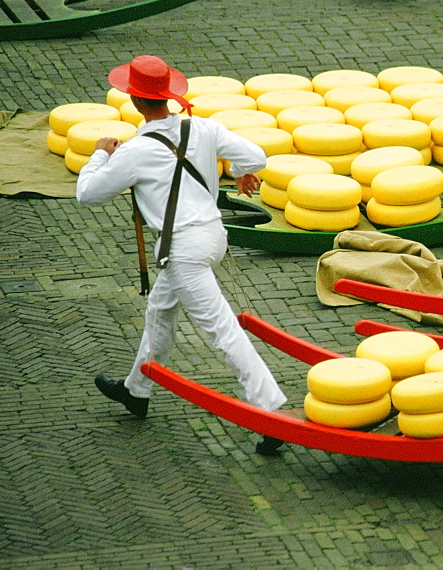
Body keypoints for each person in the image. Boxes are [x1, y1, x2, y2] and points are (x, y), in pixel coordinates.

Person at [76, 55, 288, 456]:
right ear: (169, 96)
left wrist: (100, 154)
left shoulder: (134, 151)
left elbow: (88, 195)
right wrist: (241, 168)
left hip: (183, 250)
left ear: (135, 101)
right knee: (159, 311)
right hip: (213, 237)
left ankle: (271, 411)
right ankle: (137, 390)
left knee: (222, 332)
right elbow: (257, 157)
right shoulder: (204, 128)